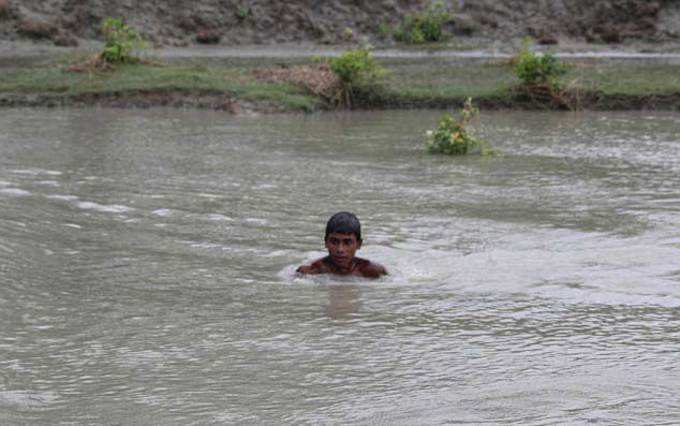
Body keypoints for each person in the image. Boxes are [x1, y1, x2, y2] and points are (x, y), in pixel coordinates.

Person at [297, 212, 387, 279]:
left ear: (358, 244)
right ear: (326, 242)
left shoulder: (372, 271)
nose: (340, 249)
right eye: (334, 242)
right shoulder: (310, 271)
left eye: (347, 243)